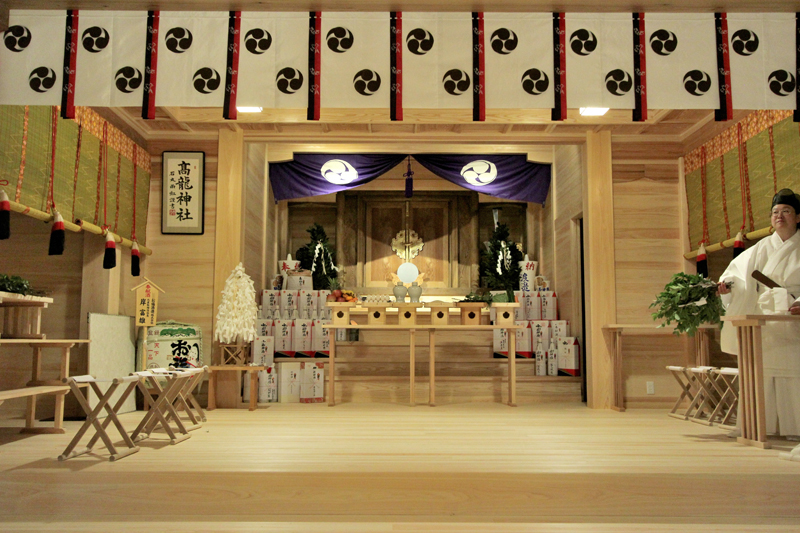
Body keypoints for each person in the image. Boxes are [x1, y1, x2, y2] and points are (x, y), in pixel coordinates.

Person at [717, 188, 800, 438]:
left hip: (793, 316)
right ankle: (759, 426)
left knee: (793, 372)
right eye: (775, 212)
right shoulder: (760, 248)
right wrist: (727, 288)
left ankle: (795, 428)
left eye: (786, 211)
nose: (779, 216)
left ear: (798, 217)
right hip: (763, 320)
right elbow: (736, 276)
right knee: (760, 372)